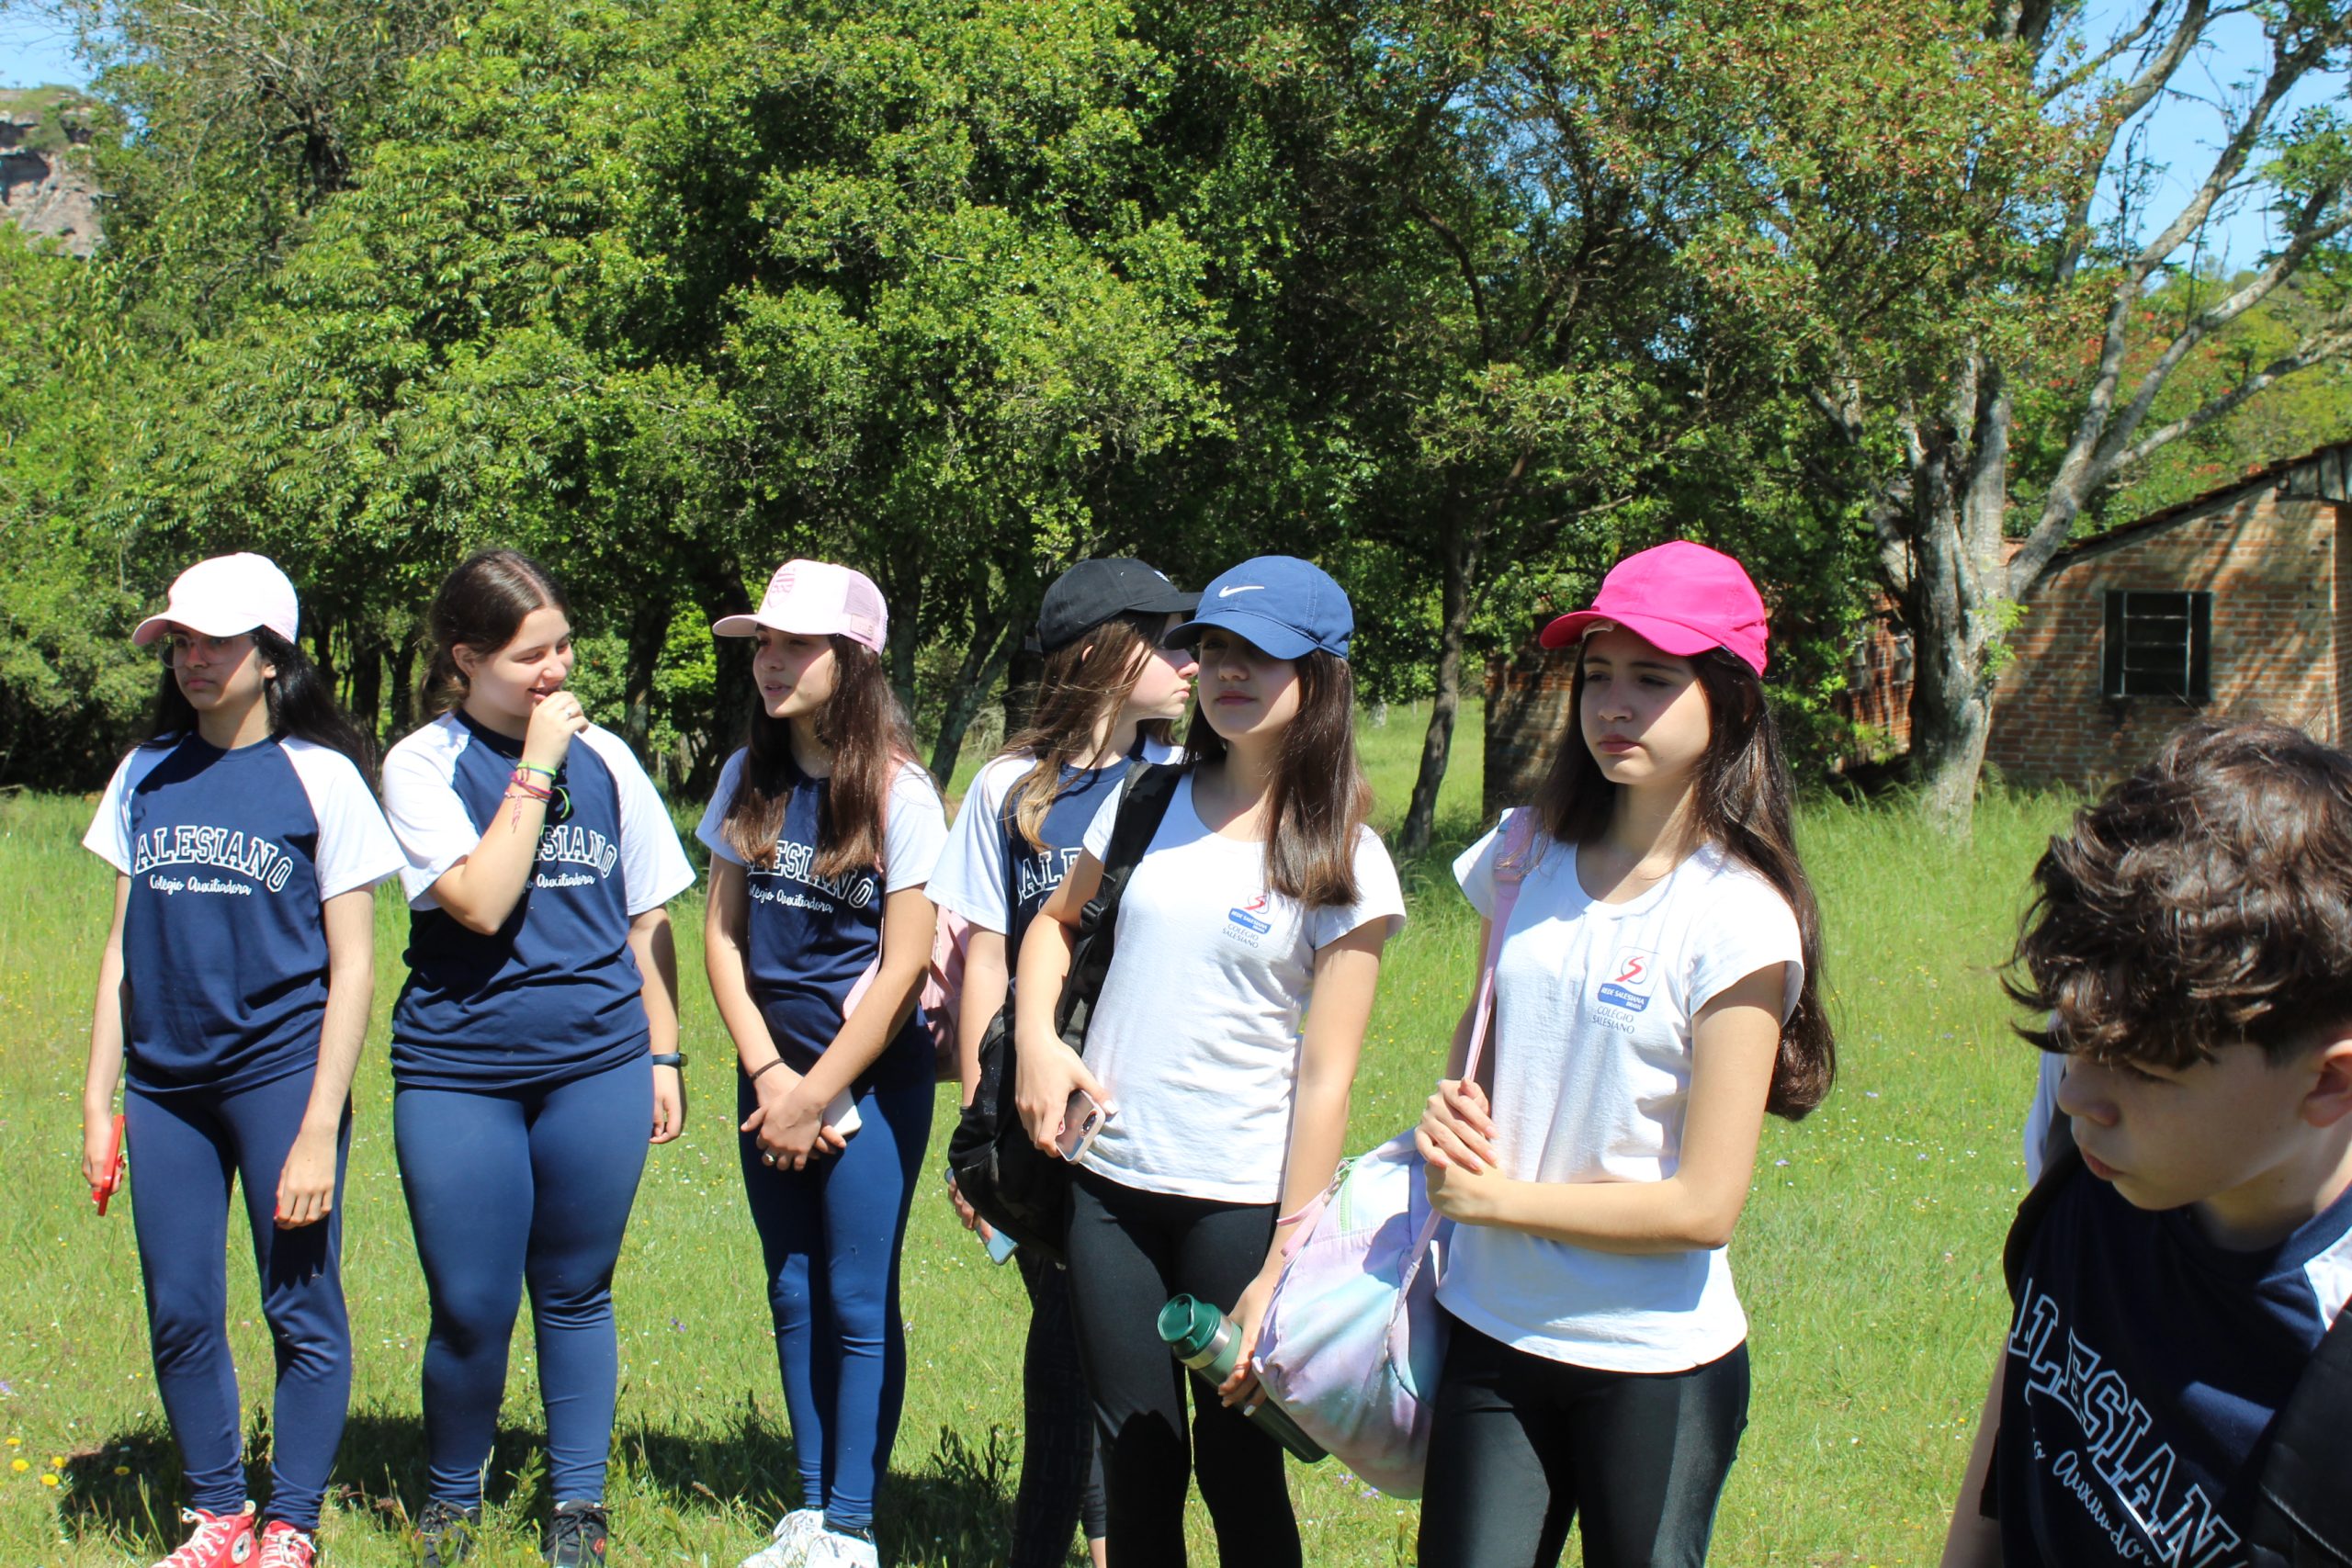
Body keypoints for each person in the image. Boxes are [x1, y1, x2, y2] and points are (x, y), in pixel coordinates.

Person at [1414, 540, 1836, 1568]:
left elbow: (1702, 1207)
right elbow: (1484, 1048)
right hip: (1489, 1325)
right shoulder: (1522, 852)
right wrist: (1447, 1121)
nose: (1613, 704)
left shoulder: (1738, 919)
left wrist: (1499, 1203)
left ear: (1730, 702)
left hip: (1650, 1363)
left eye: (1653, 678)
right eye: (1597, 675)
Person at [1012, 556, 1405, 1568]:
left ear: (1319, 676)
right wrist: (1036, 1045)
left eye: (1258, 656)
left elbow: (1328, 1078)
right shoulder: (1145, 800)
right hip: (1109, 1187)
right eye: (1213, 650)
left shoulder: (1345, 859)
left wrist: (1280, 1263)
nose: (1227, 673)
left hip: (1239, 1205)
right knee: (1134, 1463)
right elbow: (1053, 929)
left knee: (1241, 1473)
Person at [1940, 721, 2352, 1567]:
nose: (2081, 1092)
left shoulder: (2328, 1366)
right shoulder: (2099, 1157)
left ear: (2328, 1082)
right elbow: (2036, 1359)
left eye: (2149, 1070)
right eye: (2076, 1034)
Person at [80, 554, 405, 1568]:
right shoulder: (144, 775)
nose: (193, 659)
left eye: (218, 640)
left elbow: (355, 966)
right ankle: (217, 1513)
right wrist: (101, 1099)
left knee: (297, 1303)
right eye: (180, 641)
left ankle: (291, 1523)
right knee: (179, 1305)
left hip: (279, 1081)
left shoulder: (322, 778)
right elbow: (118, 946)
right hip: (165, 1086)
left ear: (272, 657)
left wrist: (317, 1127)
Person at [379, 549, 695, 1568]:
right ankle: (449, 1497)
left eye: (563, 646)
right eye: (530, 655)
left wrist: (666, 1054)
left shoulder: (612, 761)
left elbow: (649, 914)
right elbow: (476, 901)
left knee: (576, 1287)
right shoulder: (422, 763)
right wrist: (535, 767)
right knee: (470, 1302)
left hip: (595, 1062)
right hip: (458, 1070)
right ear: (467, 661)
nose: (557, 671)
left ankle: (577, 1506)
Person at [928, 558, 1201, 1568]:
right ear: (1097, 650)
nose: (1190, 659)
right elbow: (986, 956)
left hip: (1153, 1106)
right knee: (1068, 1341)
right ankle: (1068, 1541)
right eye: (1167, 639)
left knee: (1113, 1342)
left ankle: (1097, 1536)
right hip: (1042, 1107)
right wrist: (982, 1128)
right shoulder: (1008, 788)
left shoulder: (1181, 783)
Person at [698, 560, 949, 1568]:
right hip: (771, 1082)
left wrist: (822, 1089)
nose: (771, 662)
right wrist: (769, 1078)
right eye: (764, 642)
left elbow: (903, 966)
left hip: (869, 1087)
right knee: (791, 1288)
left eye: (795, 645)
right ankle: (808, 1509)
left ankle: (852, 1524)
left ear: (853, 660)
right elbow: (720, 937)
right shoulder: (744, 775)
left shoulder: (899, 791)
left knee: (854, 1297)